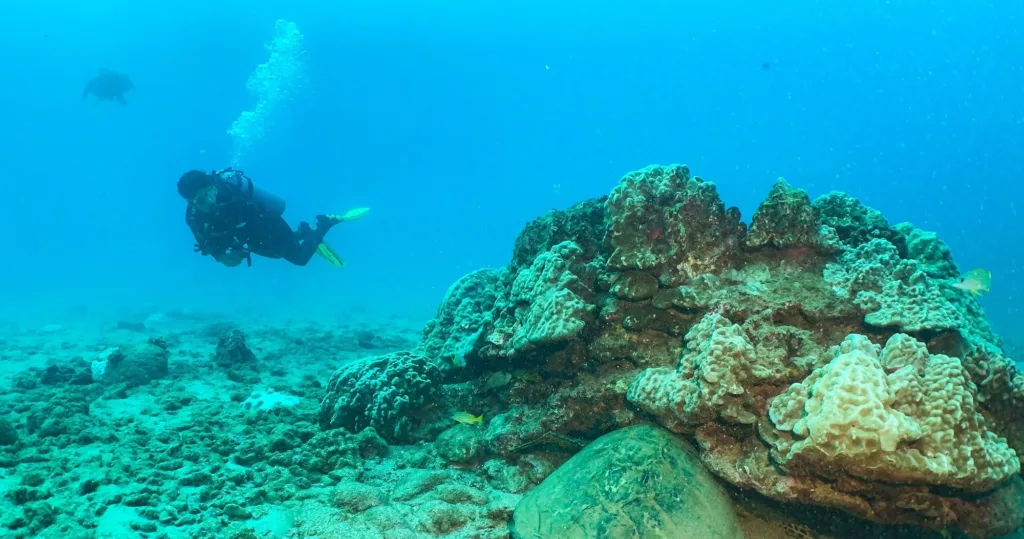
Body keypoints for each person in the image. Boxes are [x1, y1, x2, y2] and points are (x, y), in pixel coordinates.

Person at [177, 168, 352, 267]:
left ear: (214, 187)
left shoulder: (232, 192)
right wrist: (235, 255)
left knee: (299, 259)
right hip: (248, 238)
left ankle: (324, 224)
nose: (207, 202)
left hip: (267, 223)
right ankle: (304, 233)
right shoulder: (195, 220)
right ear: (189, 201)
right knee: (279, 253)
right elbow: (225, 260)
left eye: (209, 194)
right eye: (199, 201)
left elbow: (256, 217)